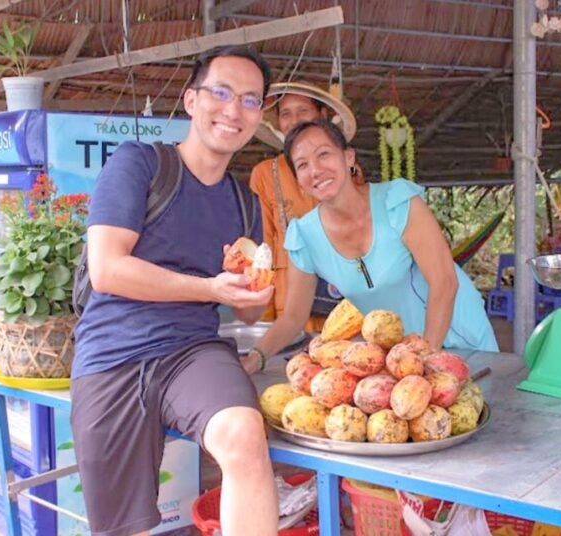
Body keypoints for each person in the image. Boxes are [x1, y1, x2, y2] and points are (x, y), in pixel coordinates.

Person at [71, 45, 278, 536]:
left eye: (250, 100)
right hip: (113, 353)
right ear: (191, 100)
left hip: (192, 351)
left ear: (259, 115)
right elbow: (107, 270)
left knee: (245, 437)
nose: (234, 110)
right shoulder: (139, 164)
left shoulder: (245, 206)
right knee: (125, 527)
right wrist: (210, 286)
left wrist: (253, 292)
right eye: (221, 92)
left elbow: (249, 315)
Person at [249, 119, 498, 366]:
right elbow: (293, 317)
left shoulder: (397, 202)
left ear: (348, 158)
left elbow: (444, 282)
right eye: (302, 165)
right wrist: (255, 358)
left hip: (459, 336)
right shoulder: (303, 236)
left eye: (323, 154)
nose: (315, 170)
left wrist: (426, 359)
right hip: (401, 355)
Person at [249, 82, 357, 332]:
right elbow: (262, 247)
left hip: (344, 300)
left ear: (322, 116)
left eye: (303, 111)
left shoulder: (343, 167)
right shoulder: (264, 174)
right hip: (287, 302)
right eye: (285, 113)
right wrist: (263, 318)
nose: (294, 120)